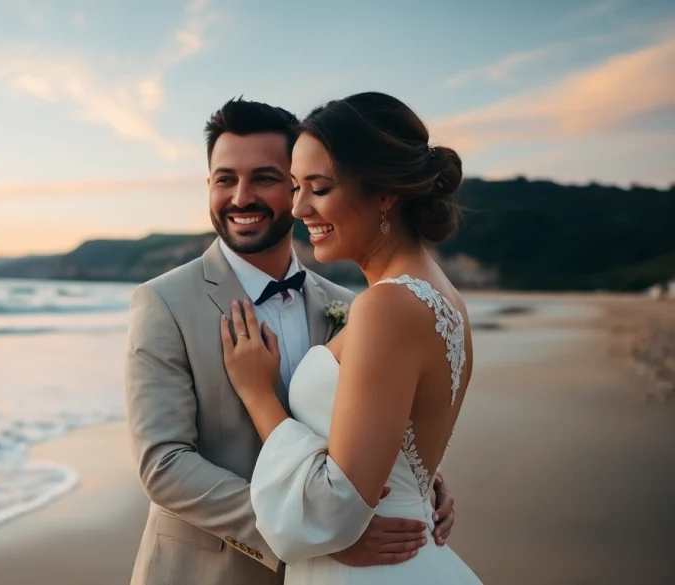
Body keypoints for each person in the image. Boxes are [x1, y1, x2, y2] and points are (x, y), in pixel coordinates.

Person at [124, 97, 457, 585]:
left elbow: (361, 428)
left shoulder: (352, 304)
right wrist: (321, 530)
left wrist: (418, 480)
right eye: (224, 179)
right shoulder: (164, 302)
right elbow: (164, 465)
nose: (240, 197)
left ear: (298, 182)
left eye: (264, 178)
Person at [220, 92, 482, 583]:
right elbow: (402, 446)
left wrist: (258, 394)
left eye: (318, 188)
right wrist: (418, 486)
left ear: (384, 192)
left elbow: (337, 507)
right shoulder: (442, 297)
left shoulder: (386, 306)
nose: (298, 208)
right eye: (296, 186)